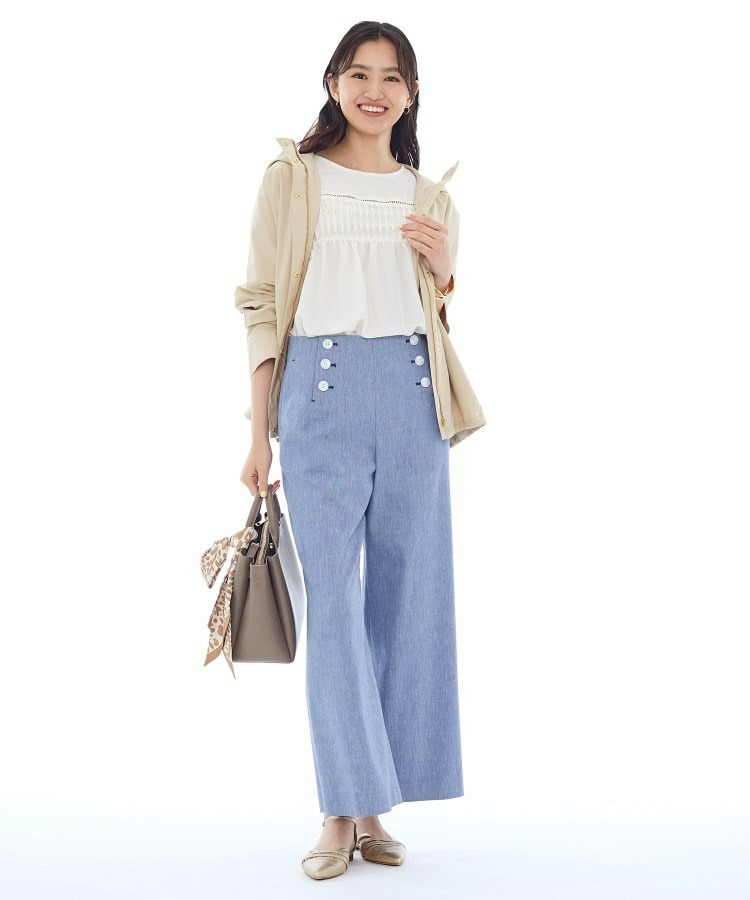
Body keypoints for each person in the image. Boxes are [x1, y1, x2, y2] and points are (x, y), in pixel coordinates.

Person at [235, 20, 486, 881]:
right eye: (358, 74)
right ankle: (340, 811)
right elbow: (262, 302)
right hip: (321, 391)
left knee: (410, 601)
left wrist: (446, 270)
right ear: (333, 84)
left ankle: (375, 804)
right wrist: (257, 432)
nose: (374, 90)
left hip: (414, 397)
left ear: (411, 95)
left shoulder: (430, 196)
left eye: (391, 77)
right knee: (336, 608)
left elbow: (436, 314)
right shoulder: (294, 179)